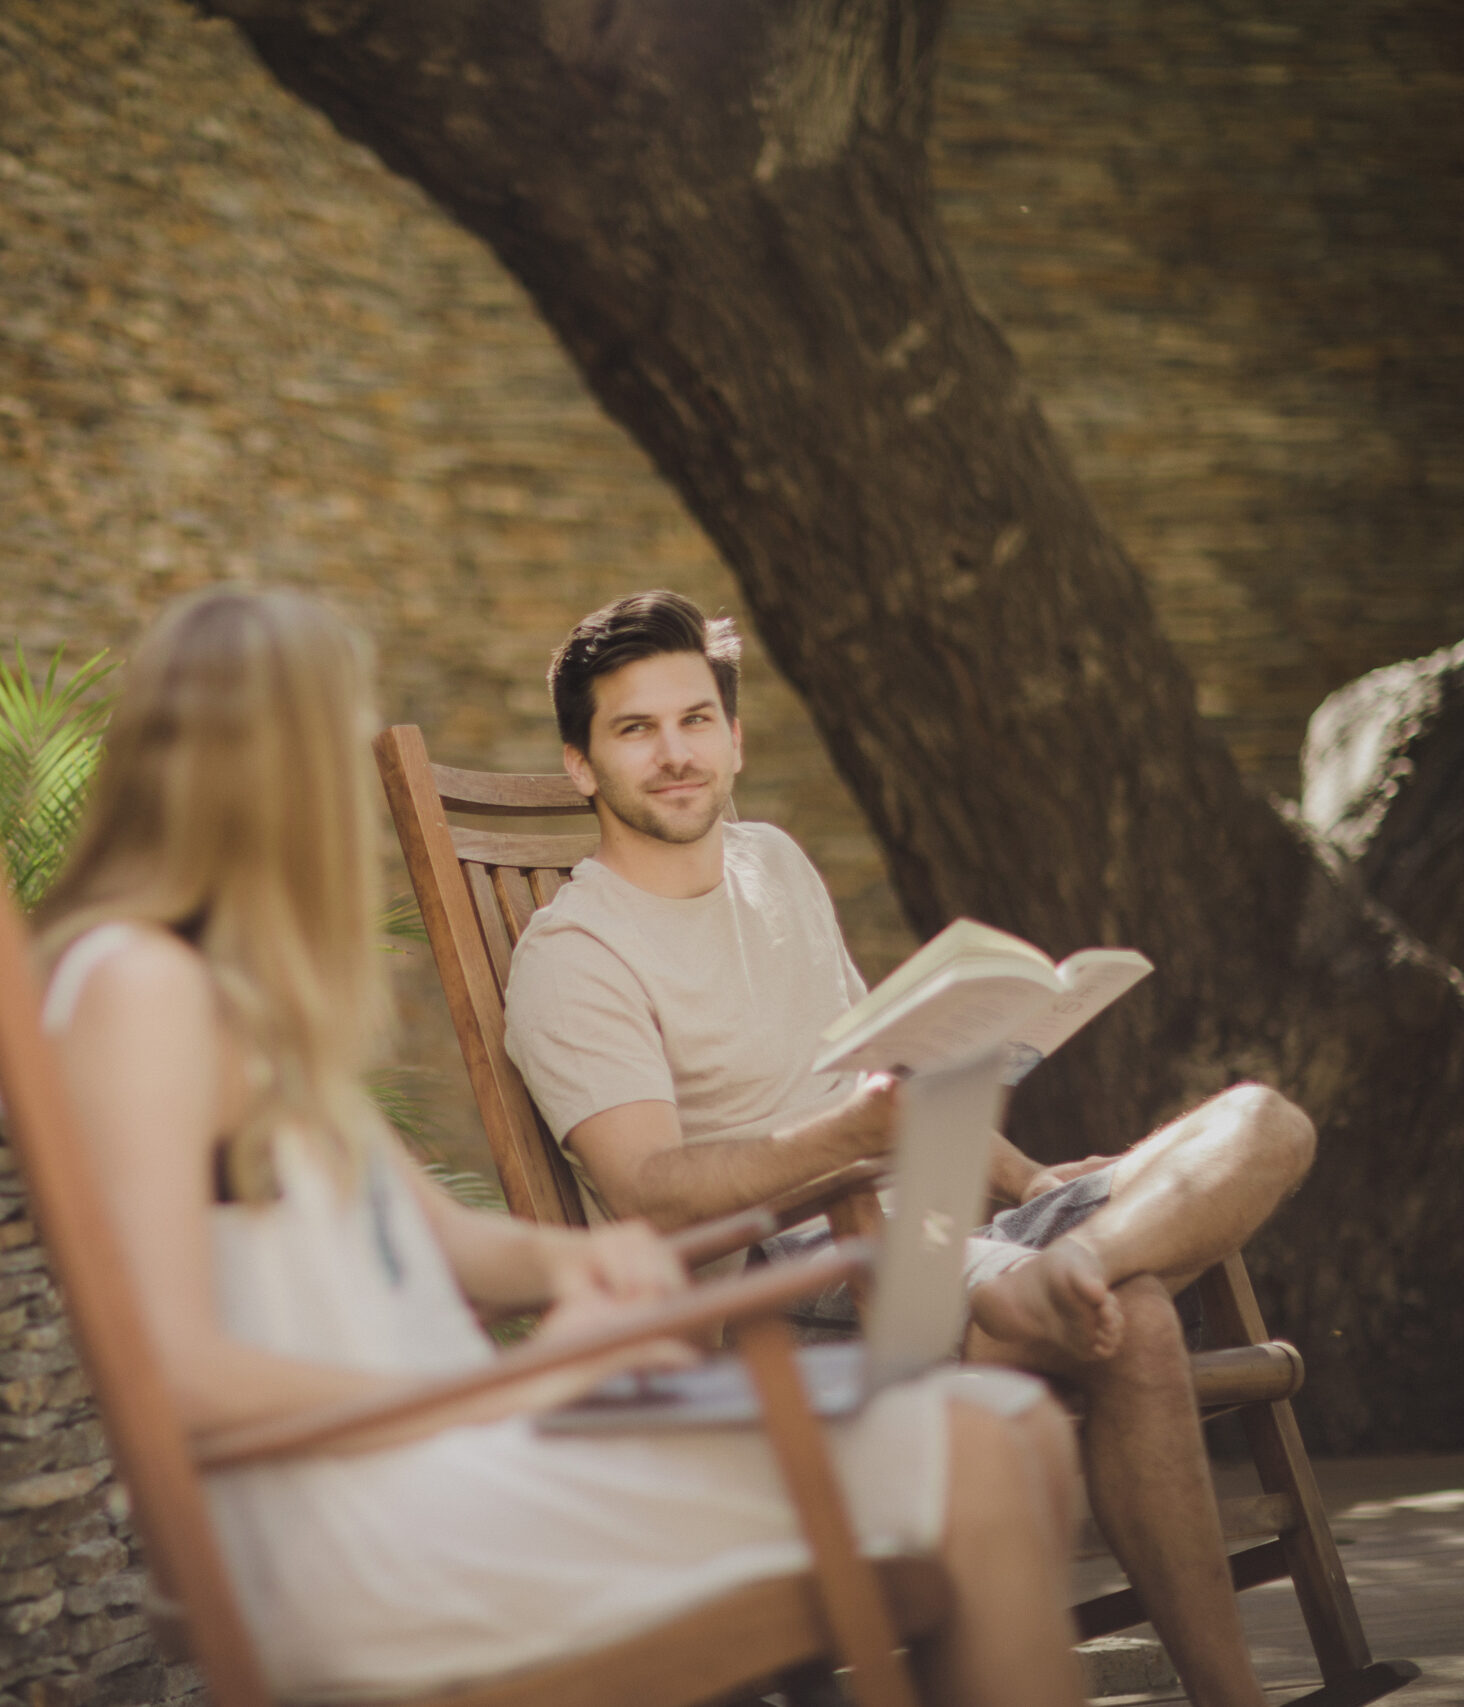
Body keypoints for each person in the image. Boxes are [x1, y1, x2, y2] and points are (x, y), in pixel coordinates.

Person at [34, 585, 1087, 1705]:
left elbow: (446, 1243)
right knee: (983, 1448)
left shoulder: (240, 1001)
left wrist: (568, 1266)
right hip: (379, 1534)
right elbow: (172, 1374)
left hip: (457, 1473)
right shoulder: (138, 989)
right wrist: (535, 1383)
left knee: (1011, 1430)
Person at [503, 589, 1317, 1707]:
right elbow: (648, 1192)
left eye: (695, 721)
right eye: (634, 730)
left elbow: (892, 1083)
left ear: (735, 738)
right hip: (787, 1292)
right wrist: (854, 1135)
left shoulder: (774, 864)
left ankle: (1075, 1262)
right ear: (581, 766)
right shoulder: (573, 951)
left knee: (1264, 1122)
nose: (676, 754)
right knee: (1138, 1329)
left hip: (939, 1237)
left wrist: (1036, 1183)